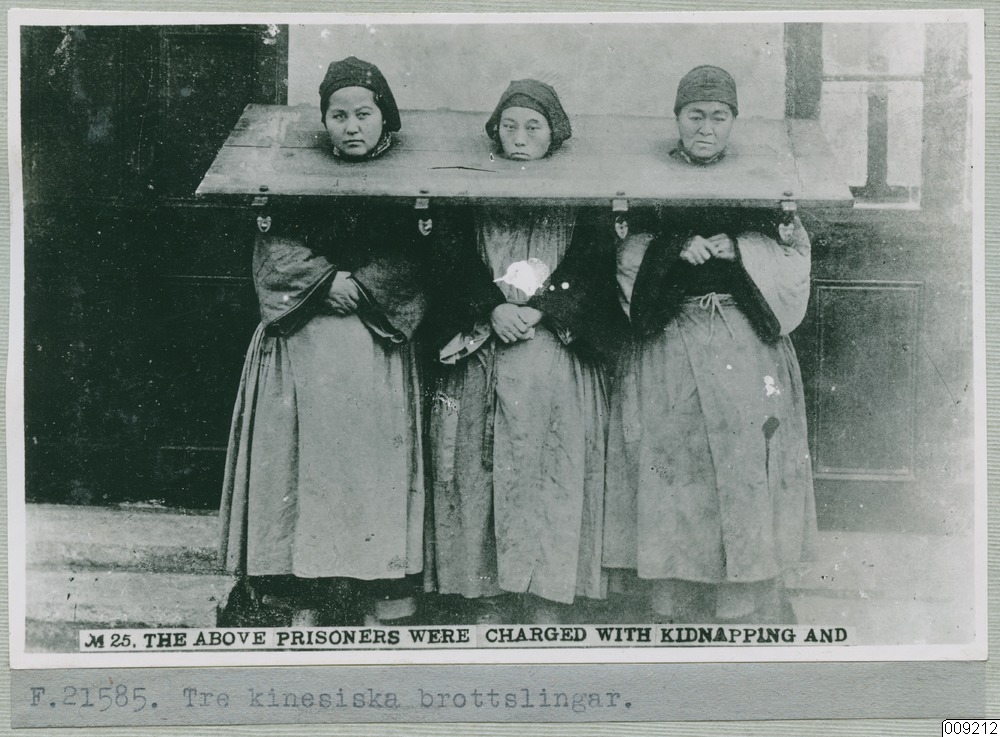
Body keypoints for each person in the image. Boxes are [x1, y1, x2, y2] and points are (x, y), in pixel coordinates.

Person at [218, 57, 430, 627]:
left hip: (374, 350)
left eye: (364, 114)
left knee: (369, 468)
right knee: (300, 467)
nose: (351, 126)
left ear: (385, 118)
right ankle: (299, 593)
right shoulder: (289, 182)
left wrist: (362, 287)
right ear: (324, 122)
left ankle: (377, 589)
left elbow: (417, 257)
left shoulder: (414, 188)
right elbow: (272, 249)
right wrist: (324, 283)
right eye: (338, 116)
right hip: (301, 349)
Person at [603, 65, 818, 624]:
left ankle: (740, 592)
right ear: (677, 119)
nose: (706, 128)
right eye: (694, 116)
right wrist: (674, 247)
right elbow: (624, 248)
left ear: (733, 122)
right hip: (671, 338)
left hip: (742, 339)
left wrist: (739, 246)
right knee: (671, 459)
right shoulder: (645, 185)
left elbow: (790, 250)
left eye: (718, 117)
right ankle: (672, 592)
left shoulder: (765, 185)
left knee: (745, 458)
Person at [428, 79, 622, 624]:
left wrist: (542, 309)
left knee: (549, 474)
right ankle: (485, 595)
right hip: (482, 353)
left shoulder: (583, 200)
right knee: (479, 473)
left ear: (553, 135)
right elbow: (450, 261)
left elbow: (592, 265)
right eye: (509, 127)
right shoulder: (466, 194)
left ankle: (546, 595)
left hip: (552, 357)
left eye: (532, 127)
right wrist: (492, 306)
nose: (519, 138)